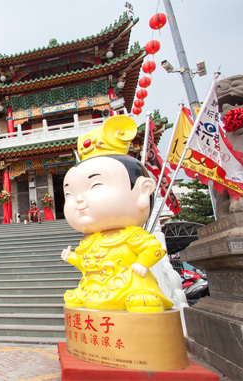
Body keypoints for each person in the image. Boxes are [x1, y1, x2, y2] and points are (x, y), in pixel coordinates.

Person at [60, 115, 173, 313]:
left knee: (141, 301)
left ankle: (141, 294)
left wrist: (142, 263)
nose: (78, 200)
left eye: (95, 185)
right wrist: (72, 258)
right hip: (94, 287)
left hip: (130, 285)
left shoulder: (132, 235)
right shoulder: (89, 240)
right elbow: (88, 263)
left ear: (143, 191)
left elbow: (154, 248)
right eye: (69, 193)